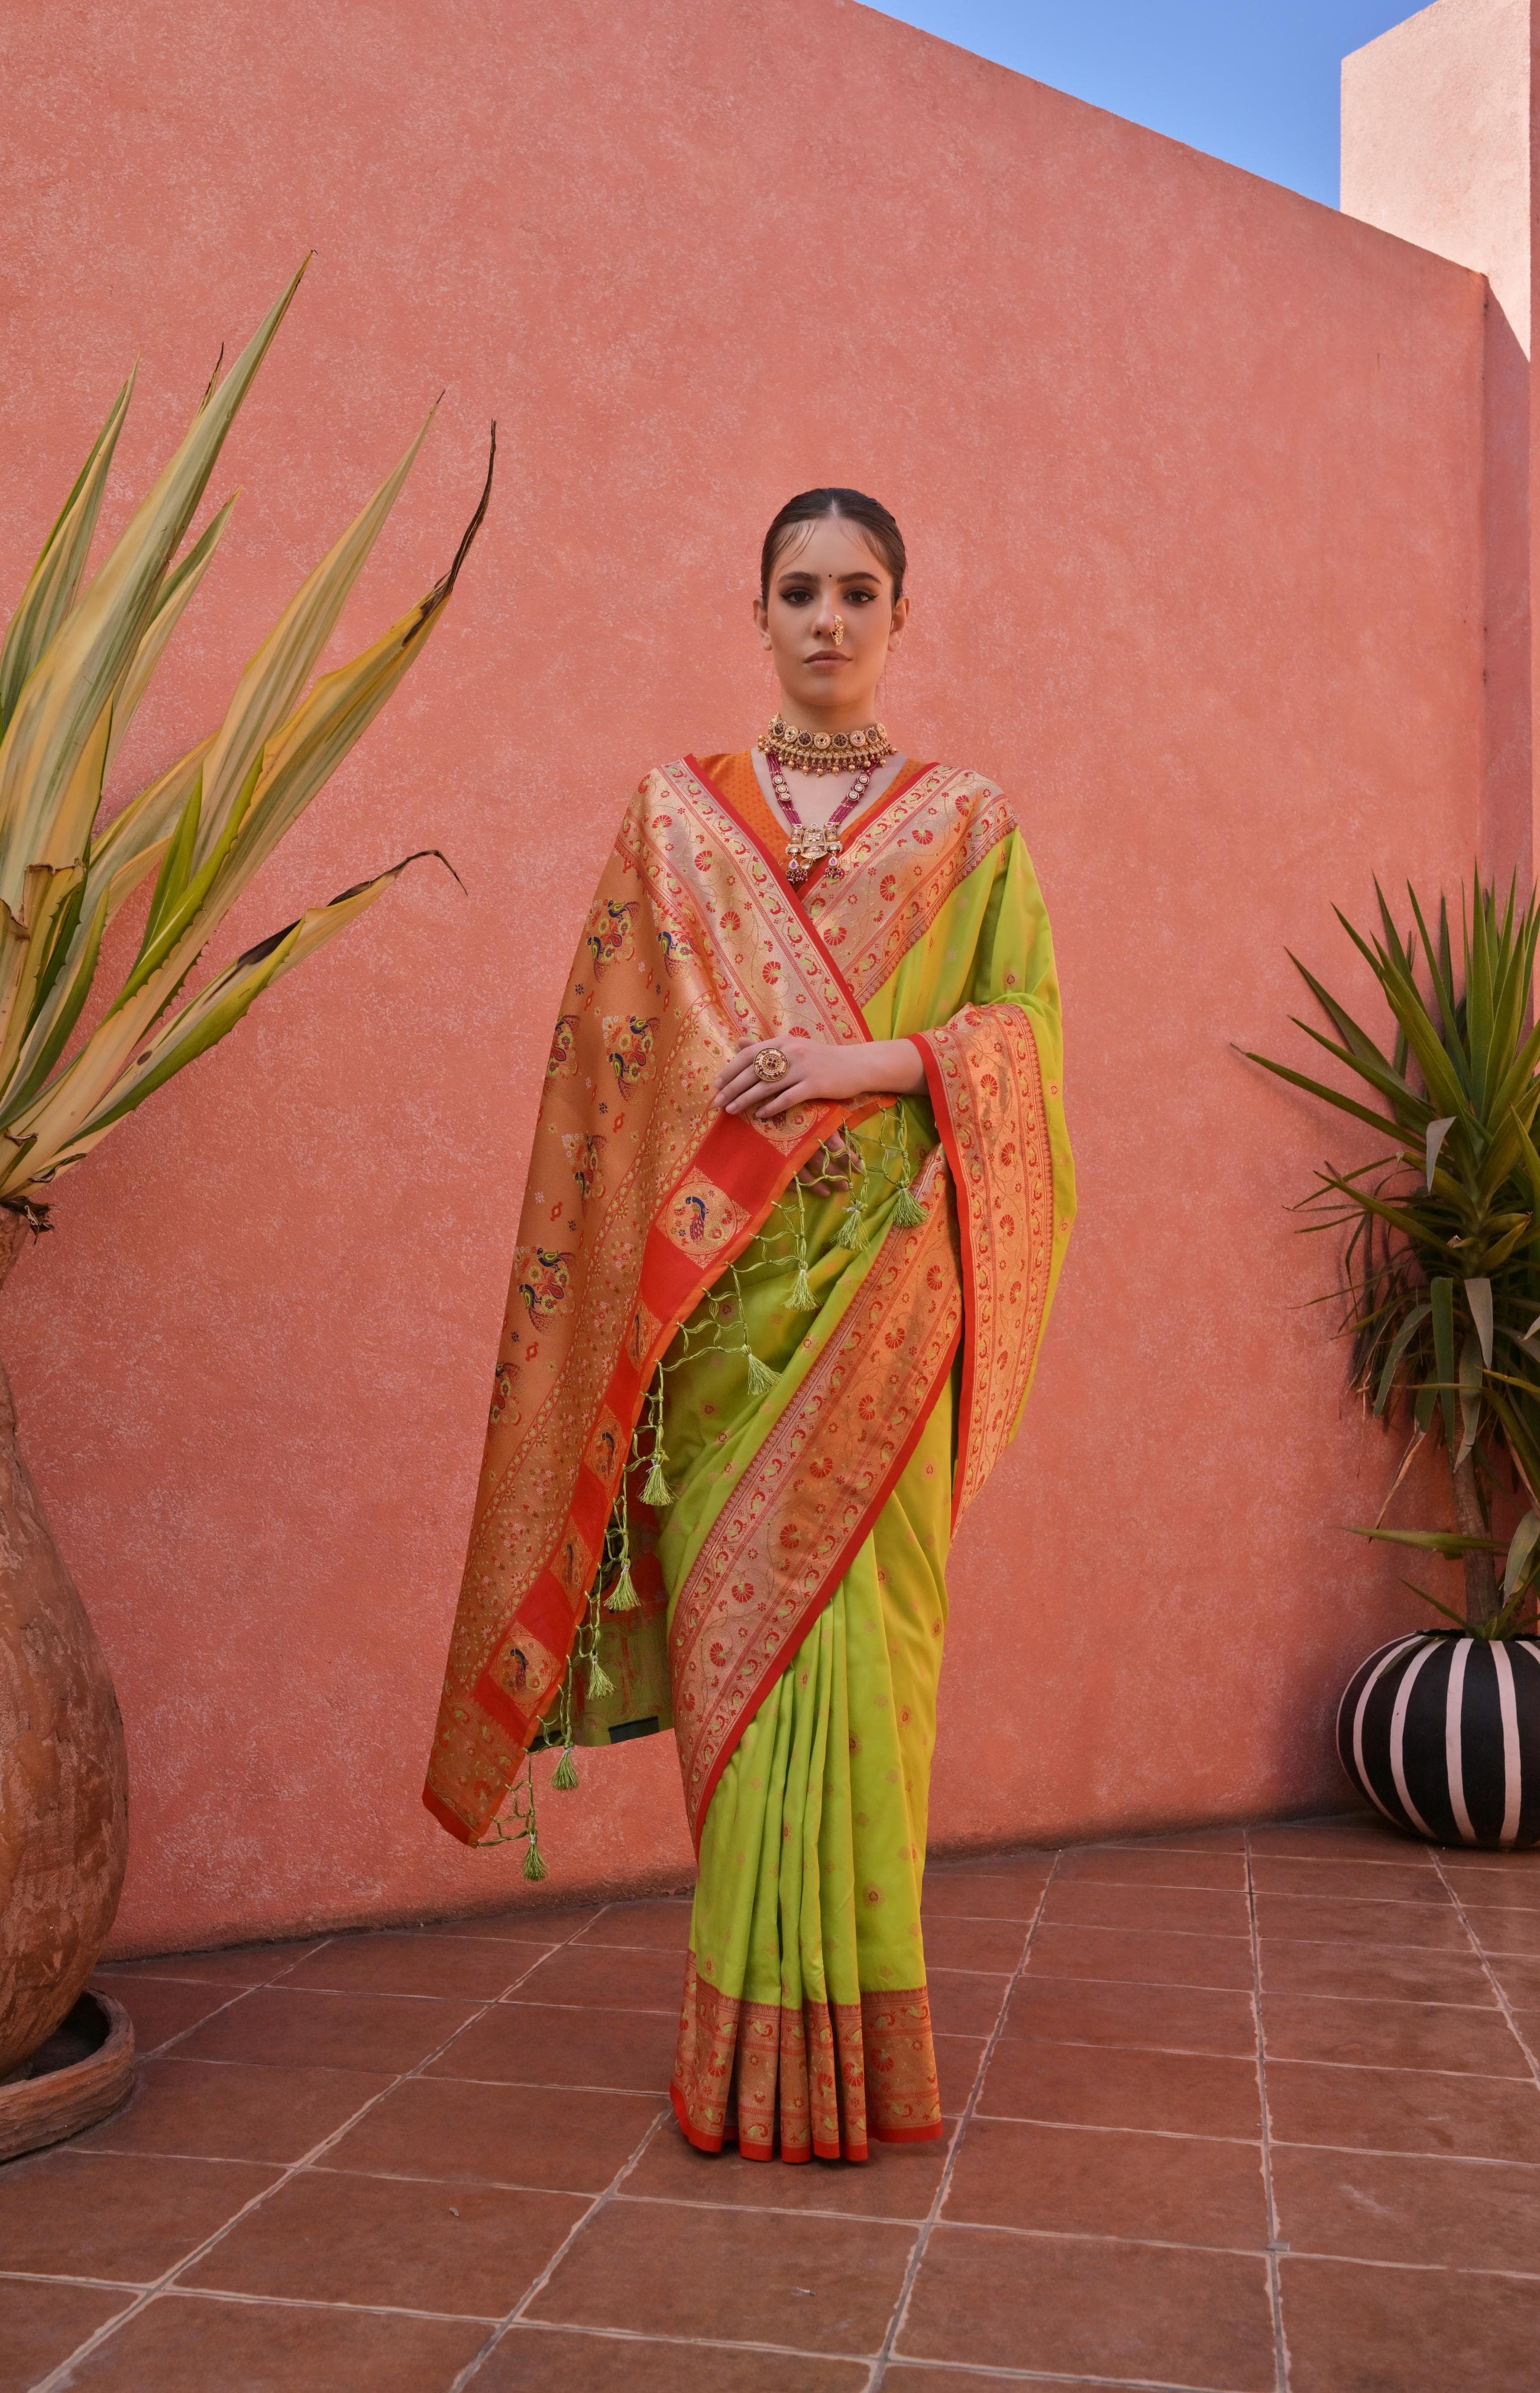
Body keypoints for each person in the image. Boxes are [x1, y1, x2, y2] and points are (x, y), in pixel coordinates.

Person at [425, 487, 1075, 2162]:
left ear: (901, 615)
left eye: (861, 593)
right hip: (722, 1326)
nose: (829, 622)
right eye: (800, 592)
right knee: (740, 1666)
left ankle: (863, 2053)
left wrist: (874, 1063)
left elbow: (1028, 1049)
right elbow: (605, 1072)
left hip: (887, 1305)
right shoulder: (674, 821)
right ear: (760, 611)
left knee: (873, 1673)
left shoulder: (971, 826)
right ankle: (745, 2063)